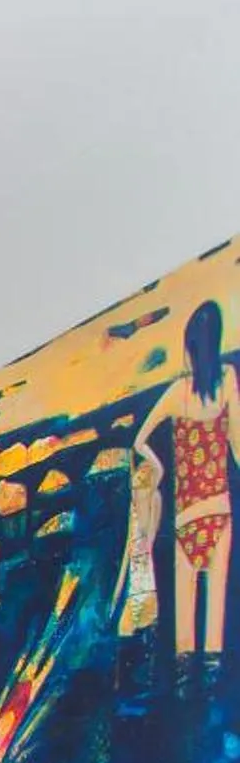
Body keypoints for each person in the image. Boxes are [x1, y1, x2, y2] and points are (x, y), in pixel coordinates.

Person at [133, 297, 238, 694]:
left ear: (191, 347)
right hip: (220, 508)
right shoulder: (228, 381)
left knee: (184, 617)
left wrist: (158, 469)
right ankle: (209, 688)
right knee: (215, 611)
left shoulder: (178, 392)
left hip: (186, 514)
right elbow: (238, 446)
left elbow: (141, 438)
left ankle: (182, 690)